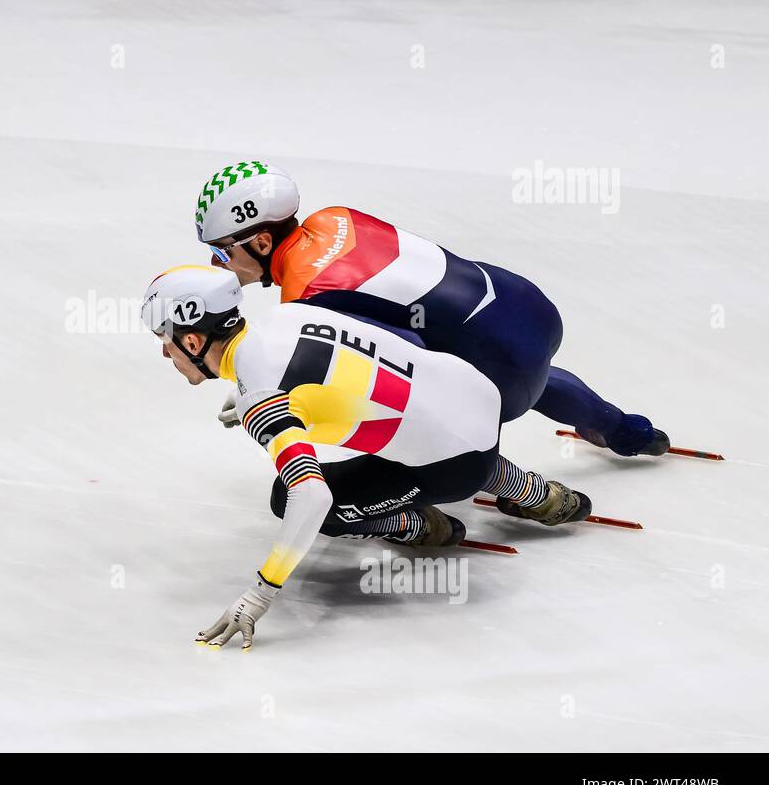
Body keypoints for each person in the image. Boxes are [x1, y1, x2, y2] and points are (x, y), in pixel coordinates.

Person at [141, 265, 591, 651]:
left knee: (289, 500)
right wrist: (250, 396)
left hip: (455, 461)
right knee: (426, 431)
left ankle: (420, 524)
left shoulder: (262, 396)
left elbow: (311, 497)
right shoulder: (286, 315)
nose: (165, 351)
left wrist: (262, 591)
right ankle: (532, 492)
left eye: (166, 340)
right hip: (469, 390)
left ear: (195, 341)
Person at [193, 162, 668, 456]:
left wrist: (269, 390)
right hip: (525, 305)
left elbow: (407, 361)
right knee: (505, 360)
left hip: (504, 372)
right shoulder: (334, 218)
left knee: (392, 402)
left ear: (259, 241)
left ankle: (514, 488)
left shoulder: (305, 296)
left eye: (220, 252)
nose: (219, 266)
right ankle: (625, 430)